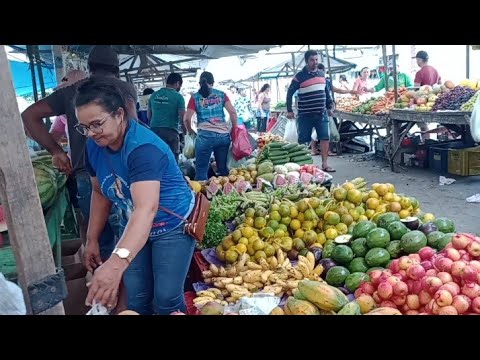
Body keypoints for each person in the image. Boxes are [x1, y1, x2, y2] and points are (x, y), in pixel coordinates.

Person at [75, 78, 196, 315]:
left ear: (119, 114)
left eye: (97, 124)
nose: (90, 133)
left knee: (167, 299)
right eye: (84, 127)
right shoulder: (94, 145)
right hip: (133, 222)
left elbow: (146, 209)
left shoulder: (143, 149)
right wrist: (92, 239)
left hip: (171, 224)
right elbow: (100, 192)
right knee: (137, 297)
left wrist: (116, 263)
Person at [21, 45, 138, 262]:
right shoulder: (124, 89)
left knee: (99, 242)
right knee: (128, 243)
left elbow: (29, 115)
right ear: (117, 69)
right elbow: (135, 128)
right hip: (123, 174)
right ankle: (124, 289)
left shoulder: (73, 91)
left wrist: (56, 151)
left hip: (86, 174)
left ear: (89, 67)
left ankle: (102, 288)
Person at [184, 71, 238, 181]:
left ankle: (201, 196)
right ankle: (226, 195)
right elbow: (232, 112)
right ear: (212, 83)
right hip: (223, 136)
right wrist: (234, 129)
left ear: (200, 83)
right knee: (223, 169)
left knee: (201, 170)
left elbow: (186, 118)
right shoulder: (222, 94)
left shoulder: (195, 97)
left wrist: (190, 131)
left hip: (204, 137)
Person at [286, 50, 335, 172]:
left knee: (324, 137)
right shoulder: (299, 77)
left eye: (316, 60)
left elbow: (326, 93)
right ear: (307, 61)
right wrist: (289, 110)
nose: (315, 62)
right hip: (305, 115)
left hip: (321, 113)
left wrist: (330, 106)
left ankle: (325, 164)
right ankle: (304, 166)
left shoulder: (322, 74)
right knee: (303, 140)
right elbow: (289, 93)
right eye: (312, 60)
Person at [148, 73, 186, 162]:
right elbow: (182, 117)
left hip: (154, 132)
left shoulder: (154, 95)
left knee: (157, 159)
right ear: (177, 83)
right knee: (172, 160)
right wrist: (185, 132)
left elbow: (149, 116)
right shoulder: (178, 97)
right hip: (171, 132)